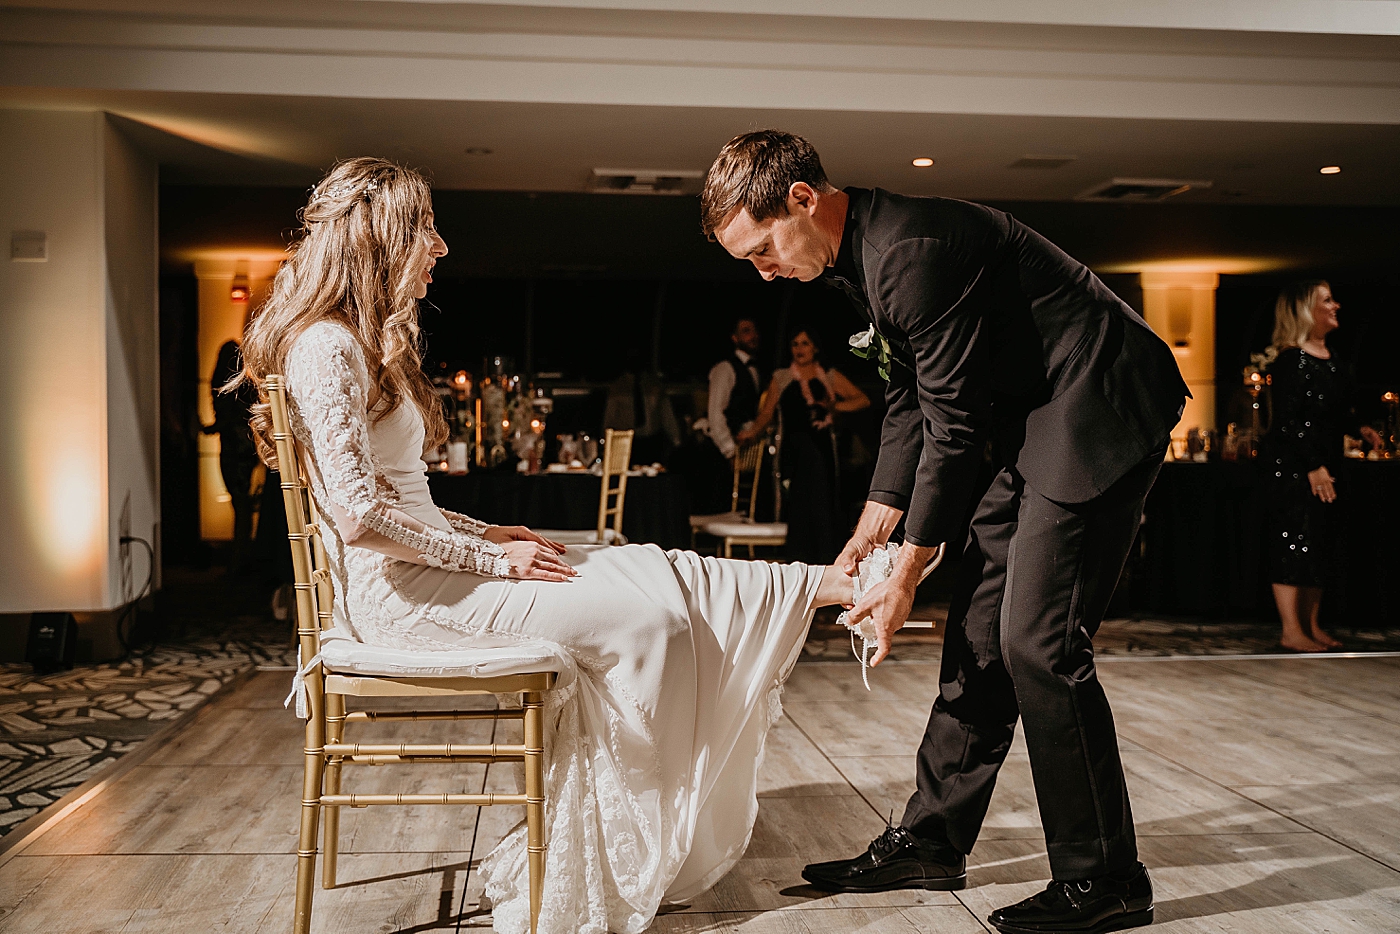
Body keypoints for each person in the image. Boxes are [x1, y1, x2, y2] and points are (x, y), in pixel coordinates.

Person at [234, 157, 859, 934]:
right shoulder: (326, 349)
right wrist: (492, 561)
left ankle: (828, 582)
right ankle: (608, 857)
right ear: (382, 239)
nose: (440, 246)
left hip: (424, 570)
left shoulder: (356, 344)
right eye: (425, 228)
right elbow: (359, 520)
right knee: (649, 623)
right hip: (401, 600)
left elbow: (402, 506)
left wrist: (486, 531)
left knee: (642, 563)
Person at [703, 130, 1188, 934]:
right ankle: (932, 839)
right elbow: (910, 402)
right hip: (1025, 420)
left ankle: (1106, 877)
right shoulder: (853, 257)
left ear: (801, 199)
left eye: (762, 250)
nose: (762, 272)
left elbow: (955, 428)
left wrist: (906, 571)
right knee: (980, 636)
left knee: (1039, 644)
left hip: (1095, 404)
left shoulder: (911, 249)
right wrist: (871, 527)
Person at [1259, 281, 1383, 652]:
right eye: (1327, 300)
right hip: (1296, 466)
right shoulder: (1289, 361)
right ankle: (1291, 630)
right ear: (1305, 311)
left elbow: (1333, 414)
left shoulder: (1334, 362)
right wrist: (1312, 466)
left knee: (1320, 544)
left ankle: (1312, 626)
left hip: (1325, 463)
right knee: (1294, 542)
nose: (1335, 306)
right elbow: (1288, 422)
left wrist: (1359, 428)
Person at [738, 329, 870, 563]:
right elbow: (767, 414)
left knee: (823, 505)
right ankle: (800, 561)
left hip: (823, 449)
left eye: (805, 343)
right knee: (800, 507)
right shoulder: (782, 377)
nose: (799, 349)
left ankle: (827, 561)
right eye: (795, 343)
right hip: (794, 451)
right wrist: (750, 434)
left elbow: (862, 399)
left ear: (815, 348)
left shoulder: (828, 376)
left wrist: (834, 407)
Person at [208, 340, 260, 574]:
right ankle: (242, 557)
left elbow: (227, 420)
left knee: (240, 505)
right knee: (242, 506)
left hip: (234, 451)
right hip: (243, 451)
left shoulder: (227, 388)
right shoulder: (246, 386)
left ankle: (239, 560)